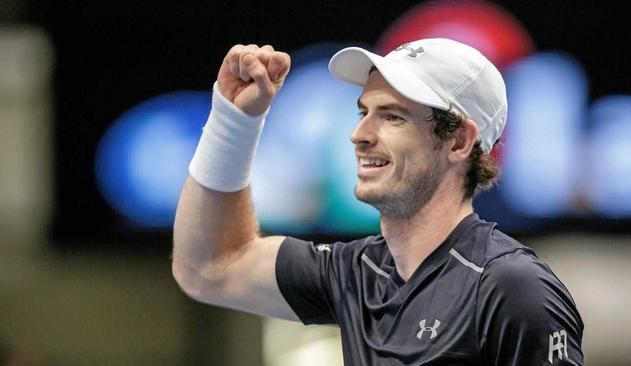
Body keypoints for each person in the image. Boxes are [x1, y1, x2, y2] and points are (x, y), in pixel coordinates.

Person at [172, 39, 584, 365]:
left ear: (458, 141)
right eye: (363, 112)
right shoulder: (355, 271)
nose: (359, 134)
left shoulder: (511, 287)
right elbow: (208, 267)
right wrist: (235, 120)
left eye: (393, 117)